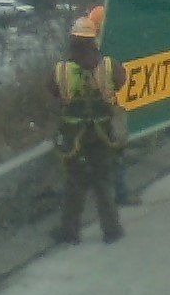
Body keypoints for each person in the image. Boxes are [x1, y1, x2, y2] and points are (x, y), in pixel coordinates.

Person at [49, 16, 125, 244]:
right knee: (103, 182)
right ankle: (111, 230)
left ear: (73, 41)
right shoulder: (110, 67)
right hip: (102, 134)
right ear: (95, 40)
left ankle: (70, 231)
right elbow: (121, 83)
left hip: (73, 137)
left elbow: (54, 91)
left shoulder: (61, 71)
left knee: (74, 184)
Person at [87, 4, 140, 206]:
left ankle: (105, 194)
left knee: (94, 158)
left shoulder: (80, 55)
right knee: (116, 154)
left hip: (84, 115)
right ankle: (120, 194)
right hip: (107, 112)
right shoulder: (108, 56)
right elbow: (119, 79)